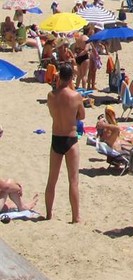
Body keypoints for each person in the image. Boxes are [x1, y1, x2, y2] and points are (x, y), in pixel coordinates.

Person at [45, 63, 84, 222]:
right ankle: (76, 217)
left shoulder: (50, 95)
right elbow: (81, 116)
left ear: (59, 76)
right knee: (73, 181)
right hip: (70, 139)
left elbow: (52, 114)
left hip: (56, 137)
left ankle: (48, 214)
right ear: (71, 78)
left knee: (51, 180)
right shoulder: (75, 96)